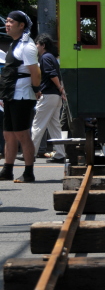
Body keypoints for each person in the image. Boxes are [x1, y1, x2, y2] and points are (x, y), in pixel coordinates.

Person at [0, 10, 40, 183]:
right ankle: (7, 170)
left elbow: (36, 72)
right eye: (7, 21)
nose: (7, 24)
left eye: (11, 21)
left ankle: (29, 172)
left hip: (22, 95)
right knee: (8, 134)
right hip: (10, 95)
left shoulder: (27, 46)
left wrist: (36, 89)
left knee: (22, 134)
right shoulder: (14, 44)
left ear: (21, 25)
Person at [31, 34, 66, 163]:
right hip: (55, 96)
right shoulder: (52, 57)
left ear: (43, 45)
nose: (35, 47)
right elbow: (57, 74)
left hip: (48, 95)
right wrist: (60, 89)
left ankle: (30, 153)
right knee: (54, 126)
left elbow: (52, 74)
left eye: (37, 44)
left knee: (37, 125)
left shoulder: (45, 58)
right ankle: (60, 154)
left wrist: (59, 88)